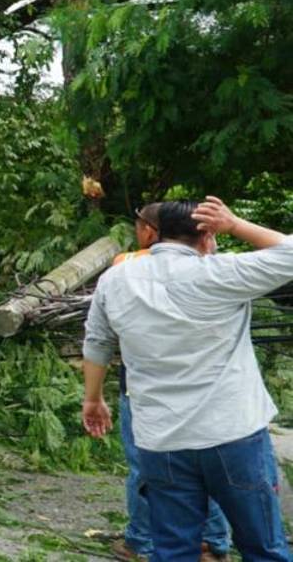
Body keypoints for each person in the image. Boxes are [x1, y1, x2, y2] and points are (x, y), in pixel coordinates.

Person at [82, 197, 293, 562]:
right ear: (207, 236)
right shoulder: (221, 273)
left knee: (175, 550)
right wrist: (236, 224)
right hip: (232, 434)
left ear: (154, 234)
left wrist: (93, 399)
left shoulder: (115, 278)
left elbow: (97, 342)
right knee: (263, 548)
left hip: (161, 439)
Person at [111, 204, 230, 562]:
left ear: (151, 231)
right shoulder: (212, 268)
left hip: (146, 389)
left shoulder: (127, 266)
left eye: (139, 226)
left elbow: (104, 333)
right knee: (206, 467)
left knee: (147, 469)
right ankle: (212, 543)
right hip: (206, 388)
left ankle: (142, 540)